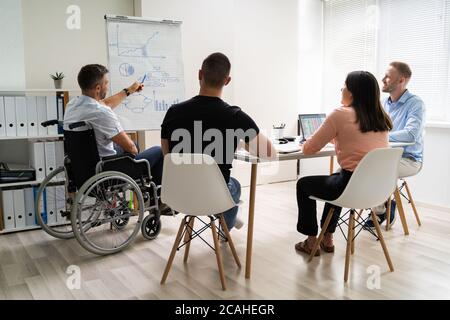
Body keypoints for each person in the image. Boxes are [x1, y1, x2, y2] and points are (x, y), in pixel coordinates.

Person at [160, 52, 276, 231]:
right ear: (227, 81)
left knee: (222, 187)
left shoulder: (173, 112)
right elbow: (269, 154)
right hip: (214, 196)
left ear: (200, 75)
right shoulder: (235, 116)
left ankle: (229, 218)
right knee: (233, 185)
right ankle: (225, 229)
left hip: (179, 194)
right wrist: (241, 141)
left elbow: (167, 155)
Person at [295, 71, 393, 256]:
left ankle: (310, 241)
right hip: (376, 189)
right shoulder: (380, 118)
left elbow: (309, 149)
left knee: (304, 184)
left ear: (353, 92)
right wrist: (336, 139)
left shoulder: (340, 114)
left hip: (349, 187)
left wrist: (309, 142)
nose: (342, 89)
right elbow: (358, 140)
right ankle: (328, 237)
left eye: (345, 86)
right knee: (337, 178)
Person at [63, 64, 164, 185]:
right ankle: (157, 197)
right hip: (107, 171)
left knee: (132, 146)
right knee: (158, 151)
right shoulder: (102, 113)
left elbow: (104, 103)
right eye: (106, 83)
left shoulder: (72, 105)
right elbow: (131, 149)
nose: (107, 86)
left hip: (83, 170)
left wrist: (129, 91)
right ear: (98, 88)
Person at [365, 61, 425, 229]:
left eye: (387, 76)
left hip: (409, 160)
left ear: (401, 80)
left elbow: (411, 133)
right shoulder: (383, 103)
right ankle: (384, 204)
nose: (382, 79)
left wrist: (380, 135)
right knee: (359, 165)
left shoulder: (415, 104)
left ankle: (379, 210)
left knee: (374, 168)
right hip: (384, 157)